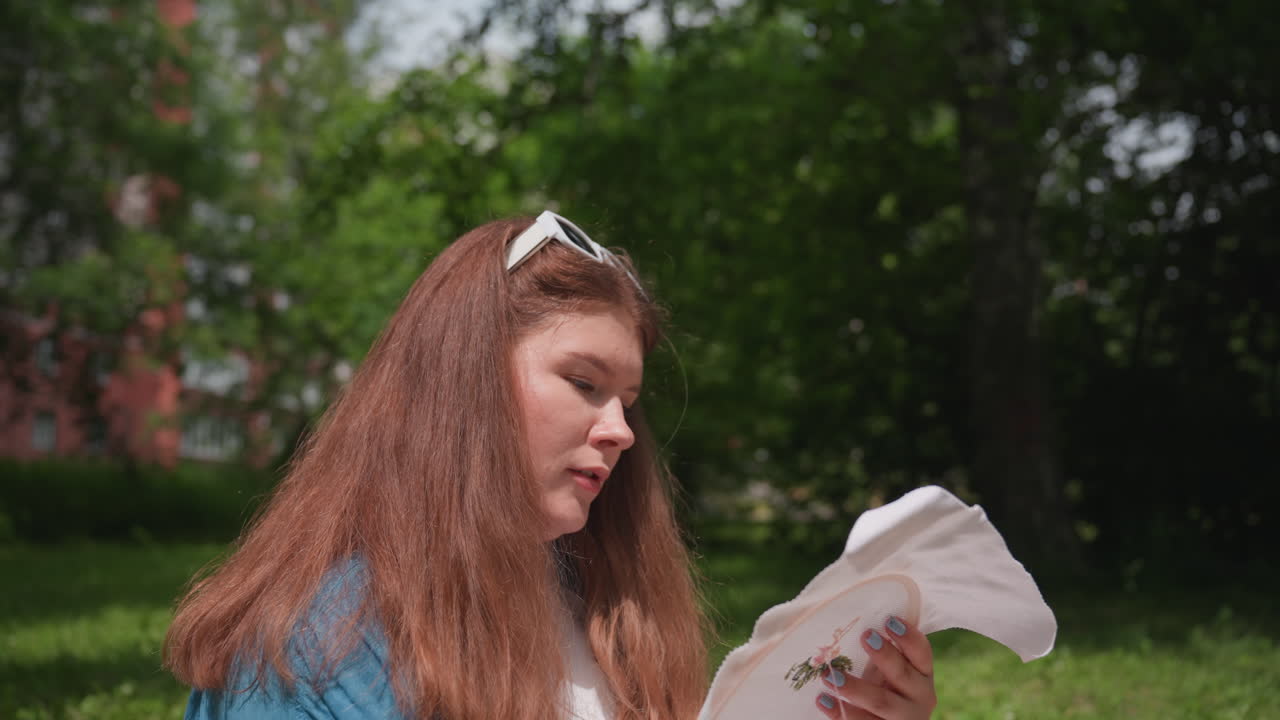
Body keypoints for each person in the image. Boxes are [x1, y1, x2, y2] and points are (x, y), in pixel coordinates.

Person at [164, 212, 938, 720]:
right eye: (584, 383)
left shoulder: (608, 609)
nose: (621, 431)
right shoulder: (310, 651)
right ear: (462, 380)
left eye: (628, 400)